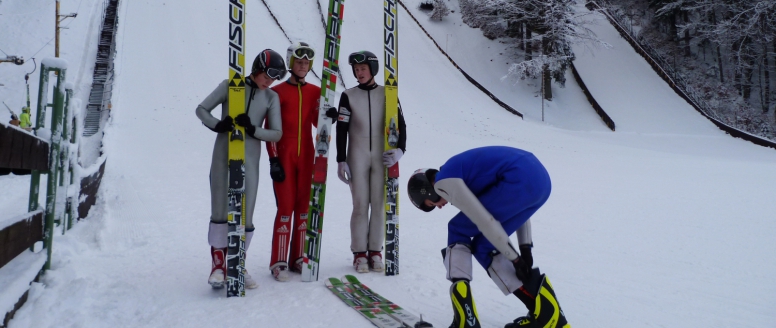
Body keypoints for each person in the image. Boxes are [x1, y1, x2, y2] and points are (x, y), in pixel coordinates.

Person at [407, 146, 570, 328]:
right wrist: (525, 248)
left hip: (520, 178)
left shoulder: (444, 181)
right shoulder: (458, 170)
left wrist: (515, 259)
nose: (439, 206)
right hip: (540, 181)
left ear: (427, 190)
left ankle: (466, 321)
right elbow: (519, 207)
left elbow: (486, 222)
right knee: (485, 245)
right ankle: (549, 315)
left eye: (431, 203)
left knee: (457, 229)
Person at [196, 49, 286, 290]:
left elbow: (277, 133)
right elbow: (201, 110)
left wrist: (253, 129)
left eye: (274, 78)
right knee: (220, 209)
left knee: (246, 211)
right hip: (222, 158)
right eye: (267, 75)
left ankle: (238, 263)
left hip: (250, 161)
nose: (270, 81)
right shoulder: (229, 86)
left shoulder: (271, 98)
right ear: (257, 68)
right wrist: (218, 125)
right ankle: (218, 266)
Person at [265, 42, 339, 281]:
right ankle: (278, 261)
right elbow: (270, 130)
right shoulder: (276, 92)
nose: (303, 65)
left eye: (306, 63)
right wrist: (274, 160)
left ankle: (298, 257)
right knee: (285, 209)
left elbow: (319, 124)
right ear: (290, 63)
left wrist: (330, 115)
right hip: (285, 156)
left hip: (307, 155)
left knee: (304, 210)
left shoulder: (316, 91)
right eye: (299, 62)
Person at [335, 50, 407, 273]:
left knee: (378, 204)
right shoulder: (348, 95)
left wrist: (400, 151)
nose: (359, 73)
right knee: (359, 204)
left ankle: (375, 251)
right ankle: (359, 253)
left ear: (373, 69)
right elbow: (342, 128)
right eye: (356, 70)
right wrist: (340, 159)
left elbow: (401, 124)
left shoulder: (388, 93)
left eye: (363, 69)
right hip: (356, 156)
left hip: (381, 157)